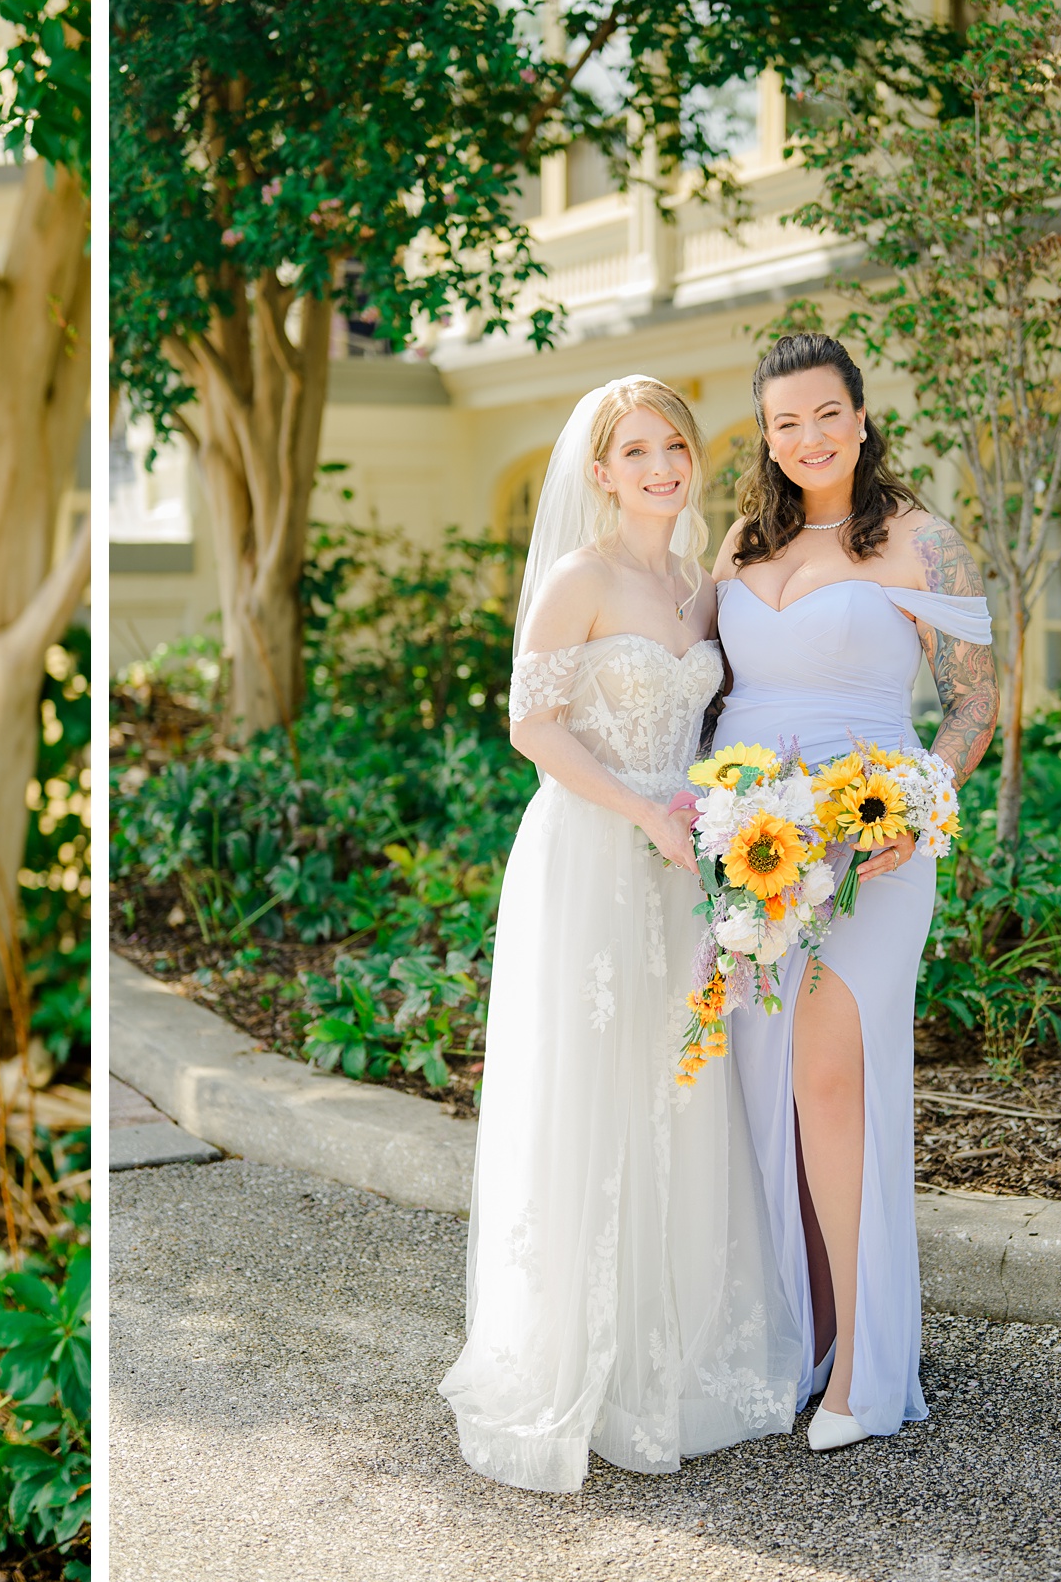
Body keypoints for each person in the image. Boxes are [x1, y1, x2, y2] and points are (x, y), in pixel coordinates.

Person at [440, 375, 804, 1492]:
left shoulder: (693, 581)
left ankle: (677, 1346)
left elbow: (709, 702)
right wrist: (643, 808)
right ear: (599, 472)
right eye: (635, 450)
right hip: (595, 851)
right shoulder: (577, 577)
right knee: (595, 1087)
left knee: (676, 1086)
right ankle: (583, 1362)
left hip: (679, 860)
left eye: (674, 446)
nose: (660, 465)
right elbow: (530, 723)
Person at [714, 332, 997, 1451]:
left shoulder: (921, 541)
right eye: (786, 422)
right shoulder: (741, 540)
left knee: (832, 1078)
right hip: (748, 845)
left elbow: (973, 703)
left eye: (827, 414)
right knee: (763, 1092)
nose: (809, 438)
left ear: (863, 416)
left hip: (871, 836)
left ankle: (866, 1377)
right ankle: (805, 1337)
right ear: (767, 435)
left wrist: (918, 804)